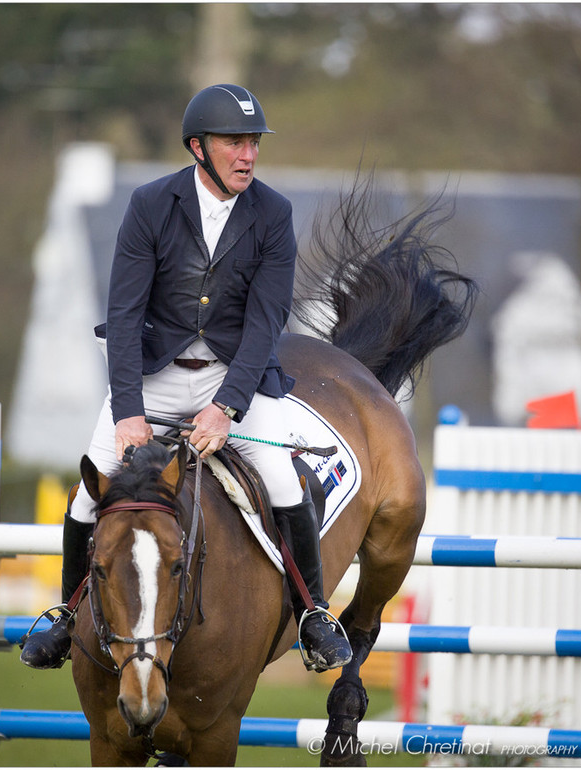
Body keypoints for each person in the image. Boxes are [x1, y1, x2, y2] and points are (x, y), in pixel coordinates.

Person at [20, 84, 352, 673]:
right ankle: (63, 615)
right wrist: (128, 411)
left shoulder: (273, 213)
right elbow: (123, 314)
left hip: (231, 376)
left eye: (253, 143)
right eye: (234, 142)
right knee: (85, 497)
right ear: (198, 147)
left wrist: (227, 407)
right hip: (154, 377)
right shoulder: (151, 204)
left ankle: (314, 613)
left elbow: (266, 319)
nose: (248, 154)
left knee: (283, 482)